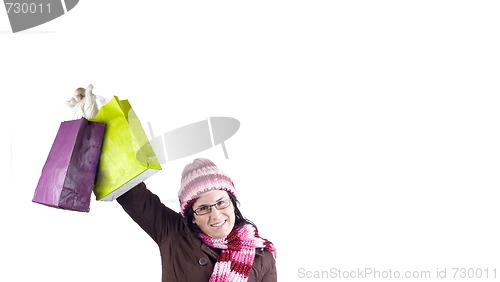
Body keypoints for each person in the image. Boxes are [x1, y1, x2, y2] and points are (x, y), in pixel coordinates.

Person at [117, 158, 277, 282]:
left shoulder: (263, 256)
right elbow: (133, 196)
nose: (215, 215)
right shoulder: (172, 232)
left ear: (233, 205)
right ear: (192, 216)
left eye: (221, 203)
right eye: (203, 208)